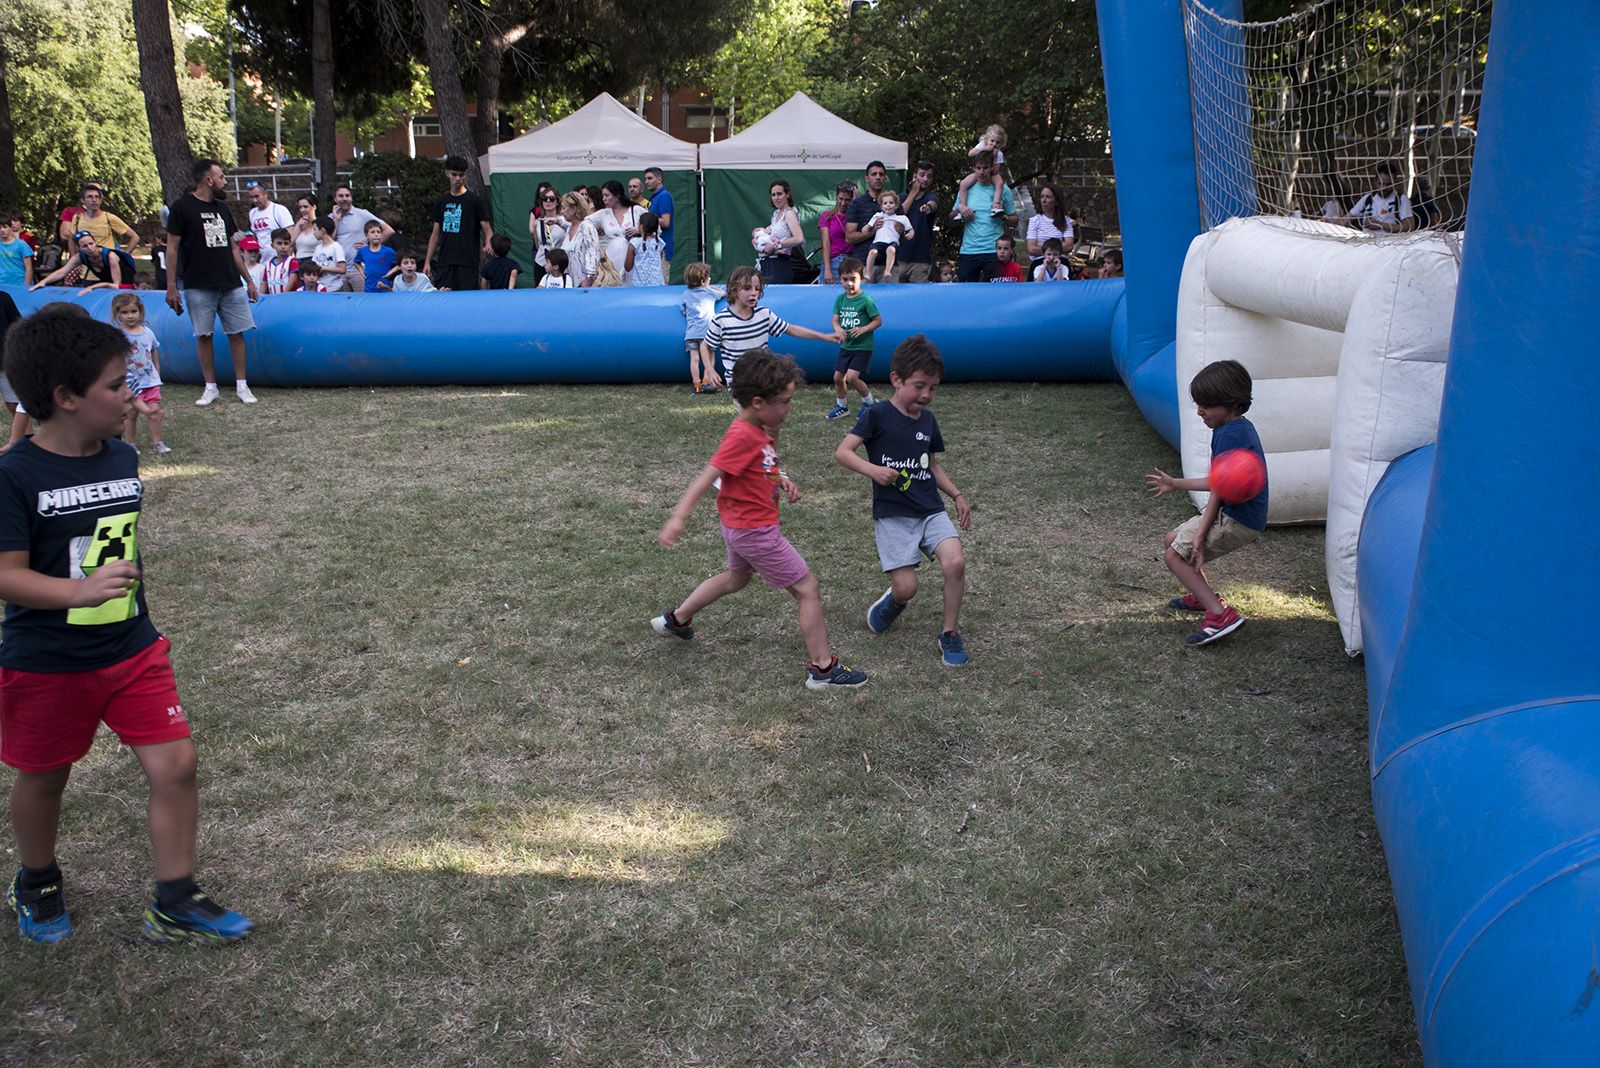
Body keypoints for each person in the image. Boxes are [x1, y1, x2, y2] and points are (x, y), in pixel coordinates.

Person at [0, 309, 253, 944]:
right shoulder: (14, 475)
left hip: (132, 646)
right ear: (64, 398)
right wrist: (74, 590)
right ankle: (36, 881)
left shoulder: (121, 455)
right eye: (116, 384)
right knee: (46, 775)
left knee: (177, 766)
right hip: (47, 659)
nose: (130, 390)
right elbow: (6, 573)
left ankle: (175, 900)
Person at [652, 348, 869, 692]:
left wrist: (779, 477)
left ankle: (676, 620)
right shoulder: (742, 434)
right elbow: (709, 475)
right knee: (808, 589)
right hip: (755, 531)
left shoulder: (760, 426)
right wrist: (678, 518)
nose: (789, 407)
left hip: (739, 526)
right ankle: (824, 670)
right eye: (783, 401)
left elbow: (762, 462)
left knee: (736, 579)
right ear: (756, 402)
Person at [834, 334, 972, 667]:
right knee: (907, 587)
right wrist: (874, 471)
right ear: (896, 379)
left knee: (955, 563)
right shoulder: (877, 415)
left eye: (933, 388)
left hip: (929, 509)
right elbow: (843, 453)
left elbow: (932, 466)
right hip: (894, 514)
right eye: (919, 386)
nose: (926, 395)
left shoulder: (928, 421)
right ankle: (895, 601)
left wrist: (956, 494)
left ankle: (949, 633)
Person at [1145, 359, 1268, 646]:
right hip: (1236, 514)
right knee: (1172, 539)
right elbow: (1219, 482)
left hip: (1238, 520)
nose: (1200, 411)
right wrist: (1178, 485)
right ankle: (1205, 598)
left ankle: (1219, 615)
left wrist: (1201, 532)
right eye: (1199, 404)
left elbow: (1219, 489)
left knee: (1174, 556)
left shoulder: (1230, 435)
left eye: (1207, 405)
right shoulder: (1236, 428)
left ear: (1232, 403)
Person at [164, 159, 259, 405]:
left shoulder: (222, 209)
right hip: (198, 283)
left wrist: (248, 280)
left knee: (237, 333)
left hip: (230, 282)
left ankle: (242, 385)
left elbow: (233, 248)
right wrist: (172, 285)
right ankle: (210, 387)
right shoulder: (181, 208)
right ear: (208, 180)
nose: (224, 181)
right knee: (203, 334)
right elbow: (172, 249)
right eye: (221, 176)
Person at [700, 266, 839, 393]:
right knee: (753, 417)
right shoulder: (721, 320)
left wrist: (824, 336)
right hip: (739, 383)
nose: (753, 293)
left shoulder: (764, 314)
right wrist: (710, 371)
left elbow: (791, 329)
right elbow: (705, 346)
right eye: (747, 288)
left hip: (764, 379)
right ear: (734, 290)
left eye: (757, 288)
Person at [423, 157, 493, 293]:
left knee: (467, 299)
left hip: (467, 261)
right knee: (443, 298)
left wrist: (489, 242)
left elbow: (487, 229)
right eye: (454, 174)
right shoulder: (441, 201)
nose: (457, 178)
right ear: (447, 173)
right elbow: (435, 234)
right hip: (445, 261)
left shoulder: (474, 200)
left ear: (465, 175)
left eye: (461, 175)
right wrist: (427, 261)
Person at [111, 293, 168, 455]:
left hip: (150, 382)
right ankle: (131, 444)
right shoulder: (118, 336)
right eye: (124, 312)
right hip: (130, 383)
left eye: (133, 311)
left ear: (140, 311)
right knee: (130, 414)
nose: (130, 316)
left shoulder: (148, 332)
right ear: (117, 314)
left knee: (154, 413)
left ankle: (158, 442)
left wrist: (157, 372)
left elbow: (153, 351)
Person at [825, 257, 880, 420]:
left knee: (852, 377)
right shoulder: (840, 299)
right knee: (837, 377)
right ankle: (842, 407)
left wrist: (863, 329)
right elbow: (835, 319)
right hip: (846, 346)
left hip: (862, 347)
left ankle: (870, 403)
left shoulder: (866, 300)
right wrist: (838, 328)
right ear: (840, 279)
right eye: (845, 279)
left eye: (853, 279)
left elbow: (878, 320)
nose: (849, 283)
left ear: (861, 279)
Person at [954, 151, 1016, 282]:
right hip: (969, 251)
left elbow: (1014, 220)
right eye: (978, 168)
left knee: (996, 294)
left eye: (985, 168)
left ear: (992, 168)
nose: (982, 172)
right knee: (966, 294)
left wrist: (1003, 216)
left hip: (995, 251)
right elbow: (951, 218)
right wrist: (961, 209)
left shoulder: (1003, 190)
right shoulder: (966, 188)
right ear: (973, 168)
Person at [31, 233, 135, 293]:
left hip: (124, 283)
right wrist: (42, 282)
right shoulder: (80, 257)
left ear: (96, 243)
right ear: (79, 248)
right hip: (106, 282)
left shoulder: (110, 256)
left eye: (91, 244)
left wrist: (93, 287)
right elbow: (62, 272)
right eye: (85, 246)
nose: (90, 248)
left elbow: (117, 285)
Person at [586, 181, 644, 284]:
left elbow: (655, 227)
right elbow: (584, 223)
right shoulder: (604, 214)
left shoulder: (636, 210)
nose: (603, 199)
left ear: (617, 195)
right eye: (603, 195)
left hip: (634, 260)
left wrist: (639, 229)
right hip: (612, 261)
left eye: (607, 195)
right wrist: (558, 220)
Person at [680, 262, 724, 394]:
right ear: (703, 280)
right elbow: (723, 293)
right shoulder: (708, 292)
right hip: (707, 332)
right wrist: (709, 286)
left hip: (691, 333)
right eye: (708, 277)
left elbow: (683, 310)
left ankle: (696, 383)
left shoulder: (686, 294)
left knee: (695, 359)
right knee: (710, 357)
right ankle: (706, 379)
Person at [58, 183, 138, 255]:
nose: (94, 200)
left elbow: (134, 237)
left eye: (97, 197)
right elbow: (71, 239)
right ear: (83, 200)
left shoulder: (109, 218)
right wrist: (73, 255)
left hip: (107, 262)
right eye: (90, 197)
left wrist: (125, 255)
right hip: (85, 263)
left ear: (100, 200)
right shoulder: (77, 218)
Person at [953, 126, 1009, 224]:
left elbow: (995, 170)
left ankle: (995, 205)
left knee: (999, 183)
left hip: (990, 172)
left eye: (997, 142)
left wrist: (994, 156)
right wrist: (984, 149)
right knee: (963, 184)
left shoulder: (999, 153)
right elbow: (970, 154)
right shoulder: (982, 144)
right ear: (987, 139)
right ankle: (962, 206)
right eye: (992, 141)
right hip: (978, 171)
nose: (994, 144)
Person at [895, 162, 939, 283]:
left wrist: (928, 208)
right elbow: (900, 214)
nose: (925, 179)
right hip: (899, 258)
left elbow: (933, 205)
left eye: (929, 176)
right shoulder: (902, 198)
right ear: (915, 176)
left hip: (920, 261)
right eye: (922, 175)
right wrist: (913, 193)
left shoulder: (931, 197)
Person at [755, 180, 805, 286]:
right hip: (767, 265)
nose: (776, 198)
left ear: (787, 194)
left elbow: (799, 238)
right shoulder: (776, 214)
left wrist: (776, 245)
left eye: (779, 194)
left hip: (779, 266)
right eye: (773, 195)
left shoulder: (789, 213)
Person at [1344, 162, 1415, 234]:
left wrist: (1380, 225)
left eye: (1388, 184)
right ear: (1375, 181)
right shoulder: (1367, 198)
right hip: (1367, 243)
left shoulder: (1401, 199)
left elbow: (1409, 226)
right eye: (1380, 184)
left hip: (1391, 243)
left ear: (1395, 182)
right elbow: (1345, 219)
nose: (1384, 188)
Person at [843, 161, 891, 267]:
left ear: (885, 178)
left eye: (881, 174)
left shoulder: (894, 203)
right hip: (862, 264)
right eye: (874, 174)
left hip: (888, 266)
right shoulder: (856, 204)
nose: (878, 177)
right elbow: (849, 238)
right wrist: (872, 231)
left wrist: (900, 232)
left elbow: (904, 237)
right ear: (866, 179)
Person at [330, 184, 393, 260]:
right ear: (335, 199)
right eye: (341, 196)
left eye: (347, 196)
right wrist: (336, 220)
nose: (345, 198)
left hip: (359, 267)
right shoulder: (331, 217)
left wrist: (371, 247)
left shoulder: (362, 214)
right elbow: (329, 242)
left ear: (351, 198)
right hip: (338, 267)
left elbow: (389, 230)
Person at [861, 191, 912, 284]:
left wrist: (909, 234)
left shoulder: (902, 218)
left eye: (891, 203)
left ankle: (888, 270)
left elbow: (911, 230)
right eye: (885, 203)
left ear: (896, 205)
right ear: (881, 206)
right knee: (872, 252)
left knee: (891, 250)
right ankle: (868, 272)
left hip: (892, 241)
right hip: (879, 241)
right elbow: (867, 227)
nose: (888, 205)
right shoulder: (878, 216)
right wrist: (865, 229)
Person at [556, 192, 602, 287]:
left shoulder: (587, 227)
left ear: (573, 209)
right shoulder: (569, 228)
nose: (561, 211)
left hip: (584, 285)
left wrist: (589, 279)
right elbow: (561, 221)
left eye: (564, 208)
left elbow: (592, 253)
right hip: (569, 284)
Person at [528, 184, 567, 288]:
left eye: (552, 199)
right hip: (541, 263)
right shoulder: (537, 223)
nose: (548, 201)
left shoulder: (564, 221)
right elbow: (538, 245)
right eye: (545, 199)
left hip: (559, 264)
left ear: (557, 201)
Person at [816, 181, 854, 286]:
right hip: (833, 262)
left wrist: (856, 202)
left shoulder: (855, 217)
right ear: (836, 197)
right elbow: (826, 243)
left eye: (847, 200)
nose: (843, 203)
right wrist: (827, 269)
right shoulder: (827, 216)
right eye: (841, 199)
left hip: (850, 263)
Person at [1026, 183, 1075, 265]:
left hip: (1060, 263)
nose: (1043, 200)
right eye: (1042, 197)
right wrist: (1058, 245)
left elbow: (1069, 246)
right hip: (1039, 263)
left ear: (1056, 201)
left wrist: (1041, 244)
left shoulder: (1066, 221)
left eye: (1048, 197)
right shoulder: (1034, 220)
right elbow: (1031, 249)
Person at [643, 167, 675, 281]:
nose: (646, 181)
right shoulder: (656, 197)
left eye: (650, 178)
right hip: (655, 248)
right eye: (645, 179)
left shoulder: (664, 196)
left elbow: (666, 222)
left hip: (662, 248)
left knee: (661, 283)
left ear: (659, 179)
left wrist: (646, 219)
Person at [349, 220, 398, 293]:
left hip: (385, 289)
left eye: (378, 232)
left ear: (381, 234)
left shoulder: (388, 251)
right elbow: (356, 262)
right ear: (366, 235)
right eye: (372, 232)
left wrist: (389, 273)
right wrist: (362, 272)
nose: (376, 234)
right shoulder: (363, 251)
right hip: (368, 289)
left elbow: (399, 264)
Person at [244, 182, 294, 250]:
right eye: (251, 197)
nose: (254, 200)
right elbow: (255, 236)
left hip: (281, 256)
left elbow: (291, 235)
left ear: (265, 194)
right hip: (263, 258)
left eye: (257, 196)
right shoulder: (252, 213)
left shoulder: (279, 209)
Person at [625, 213, 667, 287]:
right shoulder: (659, 242)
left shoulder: (634, 243)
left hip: (639, 285)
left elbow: (627, 267)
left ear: (641, 226)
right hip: (657, 284)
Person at [309, 216, 347, 292]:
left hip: (334, 288)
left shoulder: (336, 247)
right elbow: (313, 265)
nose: (313, 233)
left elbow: (342, 269)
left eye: (315, 229)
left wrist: (323, 268)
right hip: (320, 288)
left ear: (322, 230)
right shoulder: (318, 248)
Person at [261, 228, 300, 295]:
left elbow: (292, 281)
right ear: (272, 245)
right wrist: (259, 297)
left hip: (288, 298)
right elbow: (264, 284)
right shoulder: (269, 264)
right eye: (279, 243)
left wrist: (282, 296)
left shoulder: (292, 261)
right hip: (274, 299)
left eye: (286, 243)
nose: (283, 246)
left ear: (290, 245)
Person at [0, 215, 34, 287]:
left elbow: (29, 269)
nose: (2, 230)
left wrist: (26, 287)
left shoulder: (21, 245)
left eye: (5, 227)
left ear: (10, 227)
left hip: (19, 284)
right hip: (2, 285)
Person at [291, 194, 321, 261]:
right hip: (299, 261)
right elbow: (290, 242)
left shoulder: (320, 224)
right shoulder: (299, 224)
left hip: (314, 261)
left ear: (314, 207)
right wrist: (298, 226)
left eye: (305, 207)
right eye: (300, 207)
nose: (302, 210)